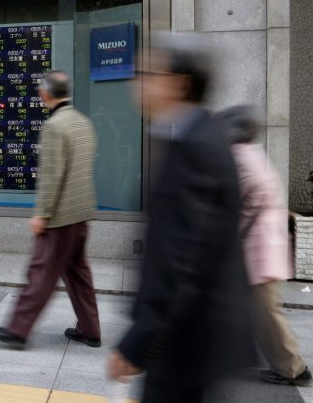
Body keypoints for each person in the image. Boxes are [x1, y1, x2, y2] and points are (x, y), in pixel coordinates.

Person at [107, 35, 255, 402]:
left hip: (187, 344)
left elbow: (180, 262)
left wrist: (137, 343)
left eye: (147, 72)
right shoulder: (199, 136)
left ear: (180, 83)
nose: (137, 82)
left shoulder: (195, 149)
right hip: (190, 339)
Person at [0, 70, 101, 349]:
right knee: (79, 275)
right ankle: (91, 329)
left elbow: (52, 175)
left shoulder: (54, 126)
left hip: (60, 216)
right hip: (82, 212)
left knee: (40, 273)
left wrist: (42, 213)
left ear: (45, 94)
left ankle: (17, 330)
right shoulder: (83, 122)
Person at [218, 105, 313, 387]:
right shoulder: (253, 154)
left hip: (258, 249)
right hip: (265, 246)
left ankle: (292, 368)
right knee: (256, 308)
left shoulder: (240, 158)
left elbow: (237, 204)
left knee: (266, 312)